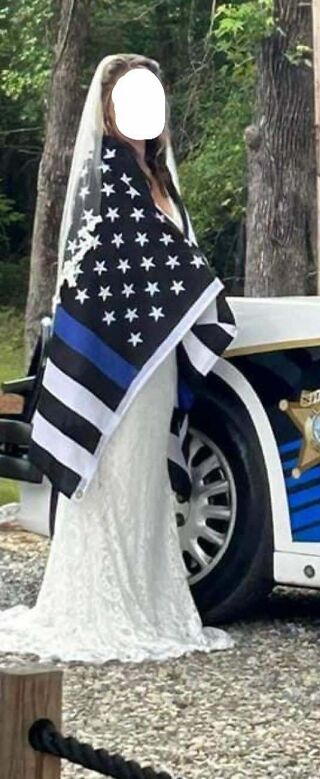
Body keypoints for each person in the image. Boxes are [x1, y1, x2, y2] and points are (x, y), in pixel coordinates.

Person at [0, 53, 237, 663]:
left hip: (155, 359)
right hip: (118, 353)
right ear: (108, 108)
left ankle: (149, 600)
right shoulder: (106, 175)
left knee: (143, 477)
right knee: (113, 473)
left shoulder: (158, 175)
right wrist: (206, 291)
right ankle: (102, 605)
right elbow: (121, 267)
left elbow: (173, 253)